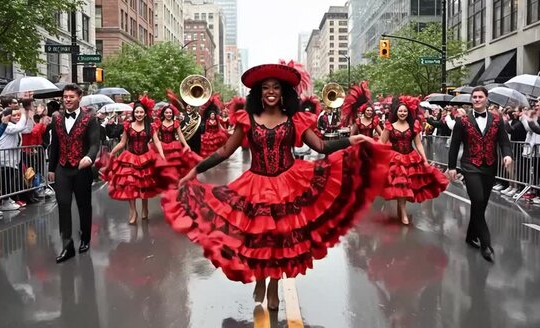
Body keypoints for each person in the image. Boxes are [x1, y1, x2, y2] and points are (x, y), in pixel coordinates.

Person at [162, 62, 391, 311]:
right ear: (259, 93)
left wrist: (352, 139)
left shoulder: (294, 118)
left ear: (284, 93)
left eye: (276, 88)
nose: (271, 91)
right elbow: (225, 150)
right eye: (266, 88)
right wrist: (195, 170)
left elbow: (321, 147)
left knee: (281, 240)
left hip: (289, 184)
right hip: (256, 185)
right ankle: (260, 279)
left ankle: (273, 286)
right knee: (260, 238)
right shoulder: (247, 118)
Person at [447, 86, 513, 263]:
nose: (476, 99)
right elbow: (454, 145)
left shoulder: (497, 120)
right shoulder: (462, 121)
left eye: (480, 97)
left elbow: (504, 142)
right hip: (470, 165)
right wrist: (451, 166)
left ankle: (470, 235)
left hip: (490, 166)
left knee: (481, 204)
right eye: (474, 97)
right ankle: (486, 244)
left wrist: (507, 155)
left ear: (486, 99)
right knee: (477, 199)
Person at [49, 84, 100, 264]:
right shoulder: (56, 118)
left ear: (79, 97)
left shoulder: (90, 118)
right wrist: (50, 168)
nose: (67, 99)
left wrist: (89, 157)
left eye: (71, 96)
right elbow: (54, 144)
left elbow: (95, 143)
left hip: (81, 168)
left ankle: (85, 237)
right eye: (65, 96)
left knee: (83, 205)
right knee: (63, 204)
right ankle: (67, 245)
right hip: (62, 168)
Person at [380, 97, 448, 225]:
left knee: (406, 185)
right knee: (401, 184)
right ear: (396, 112)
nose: (402, 113)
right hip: (395, 158)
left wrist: (425, 160)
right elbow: (381, 143)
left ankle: (402, 209)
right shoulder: (389, 126)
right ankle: (403, 212)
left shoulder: (413, 126)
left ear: (408, 113)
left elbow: (419, 144)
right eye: (400, 111)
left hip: (410, 157)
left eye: (405, 111)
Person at [105, 97, 174, 224]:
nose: (139, 114)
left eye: (141, 112)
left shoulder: (151, 127)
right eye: (136, 112)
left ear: (145, 113)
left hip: (145, 158)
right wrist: (112, 152)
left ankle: (145, 208)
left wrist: (162, 155)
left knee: (144, 185)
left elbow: (157, 141)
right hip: (130, 158)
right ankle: (132, 211)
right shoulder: (128, 126)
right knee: (130, 185)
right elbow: (122, 142)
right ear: (133, 113)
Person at [154, 104, 201, 179]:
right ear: (163, 113)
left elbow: (180, 135)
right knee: (162, 166)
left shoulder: (175, 122)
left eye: (170, 113)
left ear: (172, 114)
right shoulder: (159, 123)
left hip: (173, 147)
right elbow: (155, 136)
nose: (168, 114)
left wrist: (186, 145)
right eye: (166, 113)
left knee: (174, 166)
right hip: (162, 146)